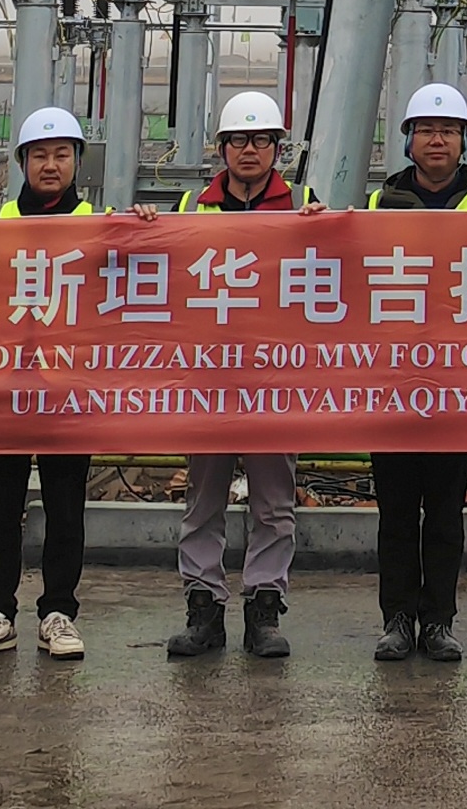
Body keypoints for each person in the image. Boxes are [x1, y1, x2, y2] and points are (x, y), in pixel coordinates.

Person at [164, 89, 313, 660]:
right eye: (238, 140)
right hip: (208, 382)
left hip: (276, 382)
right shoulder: (189, 208)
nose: (250, 150)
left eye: (261, 140)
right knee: (203, 500)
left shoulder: (304, 207)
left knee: (274, 504)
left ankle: (264, 610)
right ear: (221, 148)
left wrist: (327, 229)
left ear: (277, 148)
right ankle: (203, 608)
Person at [365, 81, 467, 662]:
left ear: (463, 140)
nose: (437, 140)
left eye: (448, 131)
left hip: (459, 384)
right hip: (394, 383)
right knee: (397, 512)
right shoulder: (377, 205)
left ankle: (439, 622)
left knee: (446, 513)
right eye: (426, 130)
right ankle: (398, 619)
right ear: (408, 140)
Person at [0, 107, 99, 663]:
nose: (50, 165)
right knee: (0, 506)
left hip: (69, 391)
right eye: (39, 155)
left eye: (61, 154)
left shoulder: (101, 225)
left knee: (66, 506)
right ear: (22, 162)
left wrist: (145, 227)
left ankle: (58, 612)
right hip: (5, 388)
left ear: (77, 162)